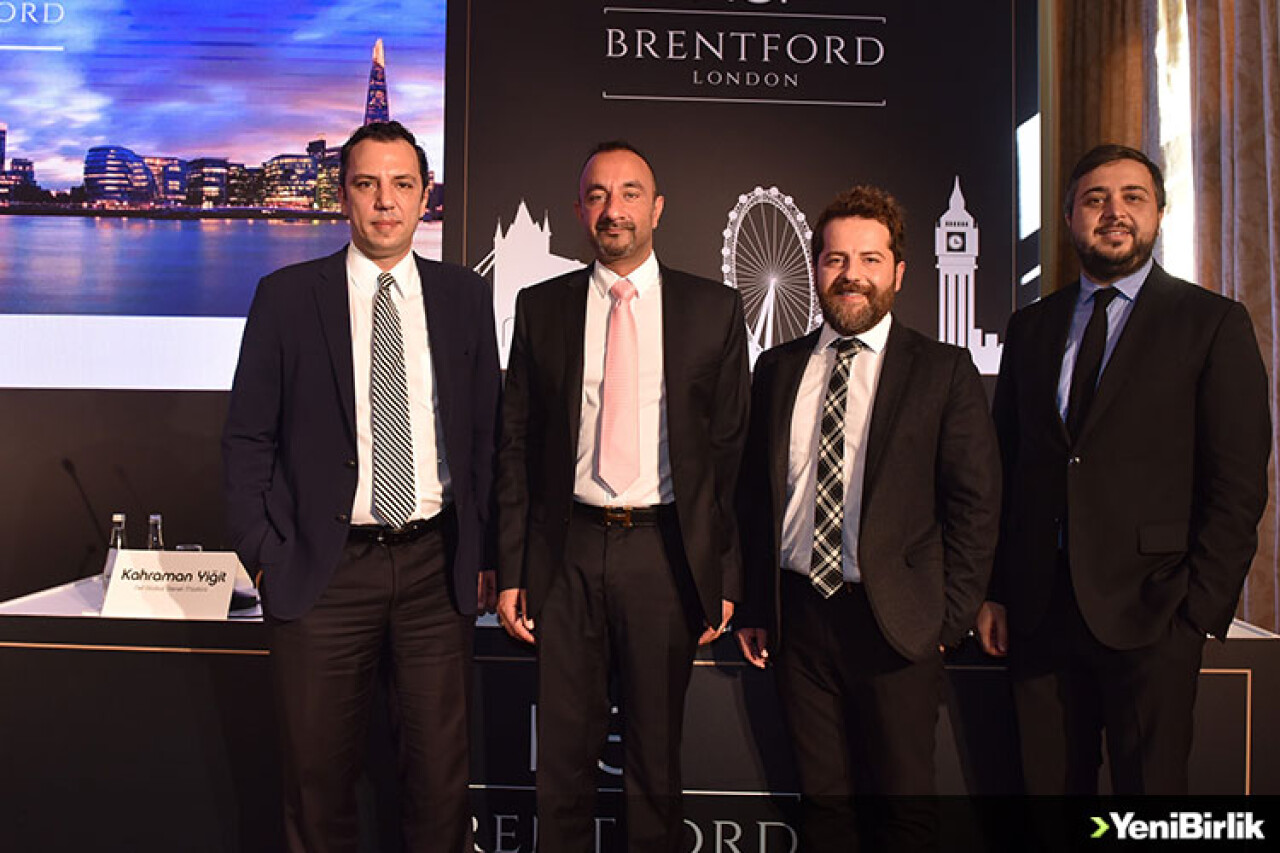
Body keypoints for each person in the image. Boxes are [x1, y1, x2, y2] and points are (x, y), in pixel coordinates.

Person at [222, 120, 500, 851]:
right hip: (322, 571)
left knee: (440, 787)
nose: (385, 201)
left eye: (402, 184)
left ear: (425, 196)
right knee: (317, 787)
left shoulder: (464, 296)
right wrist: (265, 555)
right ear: (342, 194)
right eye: (367, 184)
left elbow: (486, 437)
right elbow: (247, 439)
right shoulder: (286, 296)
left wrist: (486, 553)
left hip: (436, 569)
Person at [976, 144, 1270, 794]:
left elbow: (1239, 480)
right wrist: (995, 588)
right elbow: (1006, 466)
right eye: (1095, 199)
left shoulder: (1211, 323)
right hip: (1039, 612)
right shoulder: (1030, 327)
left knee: (1149, 802)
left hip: (1155, 612)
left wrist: (1197, 610)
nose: (1114, 212)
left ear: (1159, 212)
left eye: (1132, 197)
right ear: (1070, 218)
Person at [495, 140, 750, 853]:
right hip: (565, 552)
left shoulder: (714, 309)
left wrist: (725, 575)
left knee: (654, 763)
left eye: (630, 193)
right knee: (563, 763)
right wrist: (511, 568)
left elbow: (731, 455)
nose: (615, 209)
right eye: (598, 195)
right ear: (580, 211)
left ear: (657, 208)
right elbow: (514, 446)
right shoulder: (540, 307)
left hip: (665, 554)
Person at [735, 185, 1001, 851]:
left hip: (898, 625)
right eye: (835, 259)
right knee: (824, 810)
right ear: (815, 268)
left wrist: (947, 619)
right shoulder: (776, 368)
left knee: (903, 814)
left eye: (870, 259)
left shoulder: (943, 371)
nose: (851, 274)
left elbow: (975, 504)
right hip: (799, 617)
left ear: (899, 272)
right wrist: (758, 604)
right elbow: (753, 498)